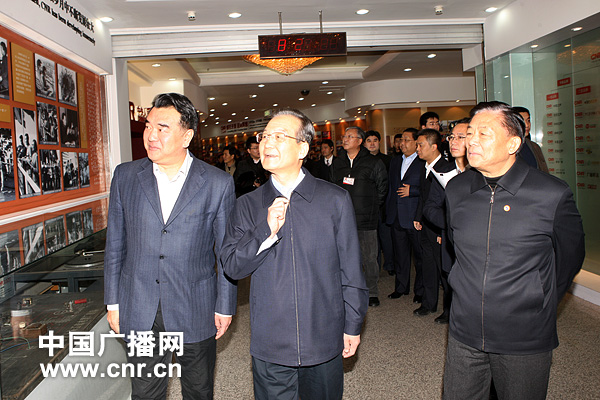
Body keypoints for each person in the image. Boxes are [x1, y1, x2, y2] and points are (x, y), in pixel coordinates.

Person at [221, 109, 368, 400]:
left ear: (302, 148)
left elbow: (351, 269)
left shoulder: (334, 199)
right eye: (265, 136)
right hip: (271, 343)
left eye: (279, 136)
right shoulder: (247, 205)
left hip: (323, 337)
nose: (267, 143)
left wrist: (353, 324)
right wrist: (265, 231)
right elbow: (233, 266)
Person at [443, 101, 585, 400]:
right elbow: (457, 248)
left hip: (524, 333)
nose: (472, 141)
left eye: (484, 133)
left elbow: (569, 257)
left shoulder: (550, 193)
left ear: (513, 143)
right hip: (464, 329)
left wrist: (538, 299)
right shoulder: (456, 190)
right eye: (470, 133)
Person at [104, 93, 237, 400]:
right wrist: (113, 303)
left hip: (196, 304)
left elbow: (225, 252)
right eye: (148, 126)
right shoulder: (126, 176)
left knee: (198, 389)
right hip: (139, 304)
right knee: (145, 391)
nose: (151, 135)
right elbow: (115, 244)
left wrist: (225, 305)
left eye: (162, 128)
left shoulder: (217, 183)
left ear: (187, 136)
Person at [331, 126, 388, 307]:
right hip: (343, 220)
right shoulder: (338, 162)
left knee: (369, 258)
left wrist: (372, 208)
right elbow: (332, 189)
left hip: (366, 219)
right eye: (344, 136)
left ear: (359, 141)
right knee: (345, 257)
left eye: (350, 136)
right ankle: (348, 289)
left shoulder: (373, 162)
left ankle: (372, 292)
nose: (345, 139)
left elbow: (382, 188)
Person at [422, 118, 470, 324]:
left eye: (461, 137)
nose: (453, 141)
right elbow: (429, 207)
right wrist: (450, 222)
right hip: (450, 240)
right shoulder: (444, 171)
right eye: (451, 137)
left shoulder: (482, 173)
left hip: (475, 247)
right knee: (451, 279)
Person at [413, 129, 454, 317]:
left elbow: (446, 204)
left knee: (443, 268)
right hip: (426, 224)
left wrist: (441, 230)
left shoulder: (446, 169)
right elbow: (423, 197)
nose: (417, 149)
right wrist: (418, 217)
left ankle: (448, 309)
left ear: (434, 146)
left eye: (421, 145)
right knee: (428, 265)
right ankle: (429, 303)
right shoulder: (424, 166)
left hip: (439, 226)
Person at [386, 128, 425, 303]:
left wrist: (413, 191)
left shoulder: (423, 161)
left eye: (407, 140)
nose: (402, 143)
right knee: (400, 255)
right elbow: (391, 187)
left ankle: (420, 290)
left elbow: (429, 188)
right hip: (397, 215)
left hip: (415, 216)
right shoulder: (395, 161)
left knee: (420, 257)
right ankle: (401, 287)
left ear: (416, 143)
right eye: (401, 140)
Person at [364, 130, 394, 275]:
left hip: (385, 206)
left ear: (379, 142)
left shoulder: (389, 160)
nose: (372, 143)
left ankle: (390, 265)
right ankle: (374, 268)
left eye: (375, 140)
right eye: (369, 140)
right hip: (368, 208)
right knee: (371, 241)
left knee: (387, 238)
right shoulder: (361, 162)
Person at [513, 106, 549, 173]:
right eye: (522, 121)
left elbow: (544, 172)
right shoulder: (508, 147)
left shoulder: (534, 146)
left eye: (528, 120)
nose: (527, 125)